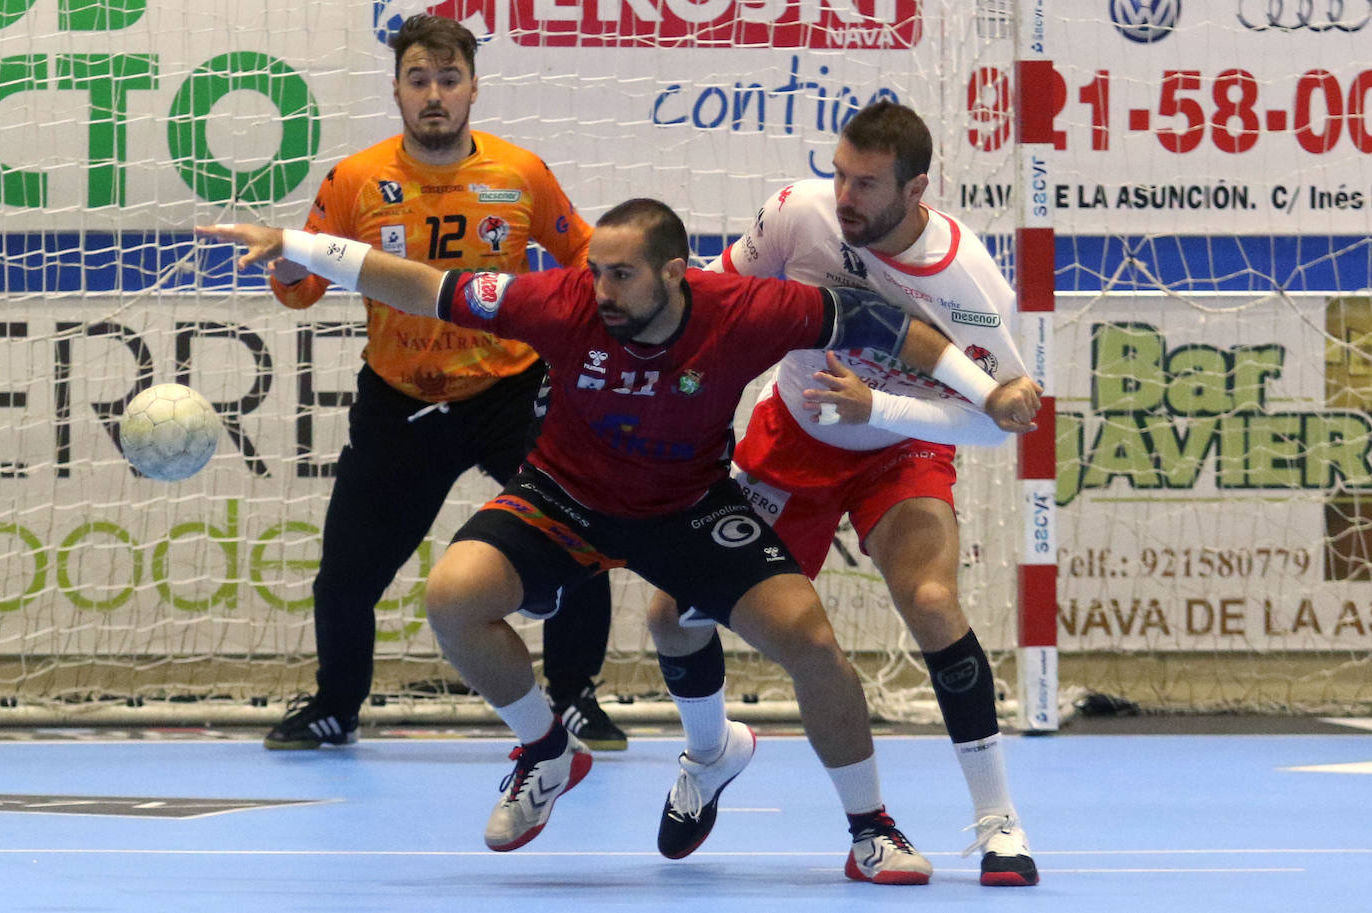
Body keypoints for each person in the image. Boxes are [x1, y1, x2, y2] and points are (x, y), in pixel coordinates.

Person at [195, 197, 1038, 882]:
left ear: (675, 273)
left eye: (622, 274)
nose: (600, 288)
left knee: (813, 643)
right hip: (565, 497)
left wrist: (985, 384)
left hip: (687, 508)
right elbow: (425, 286)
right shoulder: (559, 303)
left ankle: (870, 828)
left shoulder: (743, 311)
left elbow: (880, 324)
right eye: (595, 270)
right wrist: (298, 245)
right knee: (453, 598)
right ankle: (547, 747)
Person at [646, 100, 1042, 886]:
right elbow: (715, 296)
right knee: (673, 615)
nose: (845, 196)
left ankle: (1000, 823)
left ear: (916, 188)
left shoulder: (971, 285)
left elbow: (997, 423)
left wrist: (880, 408)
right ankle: (711, 750)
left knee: (932, 601)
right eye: (839, 174)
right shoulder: (799, 216)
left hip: (904, 446)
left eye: (866, 183)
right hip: (793, 439)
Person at [261, 14, 625, 752]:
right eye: (419, 80)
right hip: (402, 398)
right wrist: (287, 267)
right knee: (346, 571)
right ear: (396, 89)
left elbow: (588, 254)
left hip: (509, 390)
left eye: (449, 80)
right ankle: (336, 706)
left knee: (580, 535)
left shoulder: (520, 172)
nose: (435, 95)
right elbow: (299, 291)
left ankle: (576, 696)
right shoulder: (356, 179)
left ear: (473, 89)